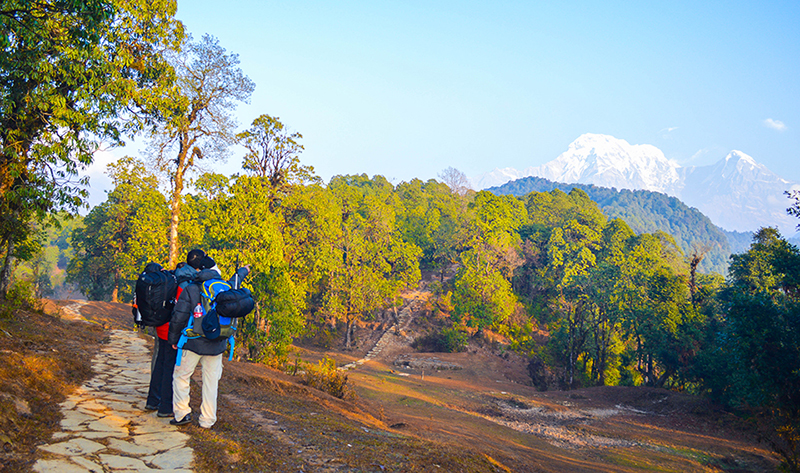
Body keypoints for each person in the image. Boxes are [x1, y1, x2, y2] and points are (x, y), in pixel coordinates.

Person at [168, 254, 249, 428]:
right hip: (217, 343)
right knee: (211, 382)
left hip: (193, 341)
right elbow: (237, 279)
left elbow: (179, 316)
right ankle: (207, 420)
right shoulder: (226, 286)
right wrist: (244, 270)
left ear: (199, 270)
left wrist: (174, 339)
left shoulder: (191, 288)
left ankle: (182, 414)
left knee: (181, 376)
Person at [144, 250, 206, 417]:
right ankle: (165, 407)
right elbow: (181, 312)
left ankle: (152, 400)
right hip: (173, 329)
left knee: (161, 363)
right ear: (200, 266)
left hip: (161, 325)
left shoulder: (175, 274)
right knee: (170, 366)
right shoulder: (189, 283)